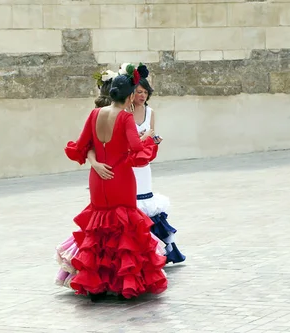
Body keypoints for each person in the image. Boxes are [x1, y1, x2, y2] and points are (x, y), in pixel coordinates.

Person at [58, 67, 168, 301]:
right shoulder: (126, 116)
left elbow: (82, 145)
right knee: (124, 227)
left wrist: (95, 164)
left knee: (98, 227)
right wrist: (147, 137)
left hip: (98, 176)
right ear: (129, 97)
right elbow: (136, 151)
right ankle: (122, 284)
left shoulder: (94, 114)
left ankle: (95, 286)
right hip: (120, 177)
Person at [129, 63, 186, 264]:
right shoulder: (124, 111)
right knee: (132, 201)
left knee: (147, 201)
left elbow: (151, 136)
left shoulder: (150, 112)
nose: (142, 96)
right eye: (138, 92)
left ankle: (159, 250)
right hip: (128, 164)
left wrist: (153, 139)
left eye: (145, 92)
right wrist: (143, 138)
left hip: (144, 164)